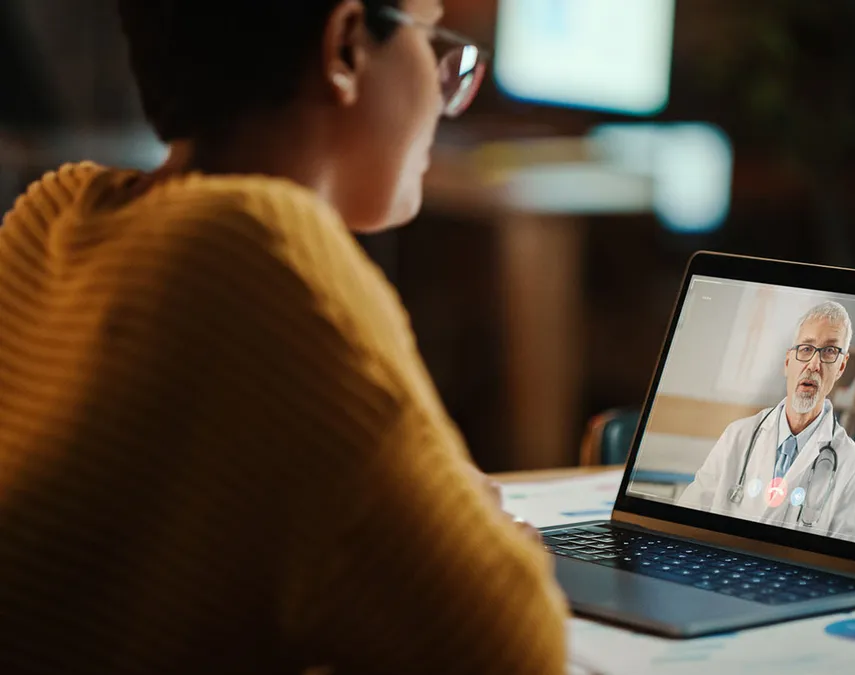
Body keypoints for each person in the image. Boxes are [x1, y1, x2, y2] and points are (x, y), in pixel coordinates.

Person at [0, 1, 569, 673]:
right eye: (434, 41)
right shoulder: (268, 249)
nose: (449, 96)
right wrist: (475, 534)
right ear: (346, 49)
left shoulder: (56, 217)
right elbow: (515, 647)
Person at [677, 301, 855, 542]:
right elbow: (687, 517)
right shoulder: (738, 435)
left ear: (841, 367)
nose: (814, 365)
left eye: (829, 352)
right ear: (788, 362)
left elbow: (842, 560)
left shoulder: (850, 462)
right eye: (806, 348)